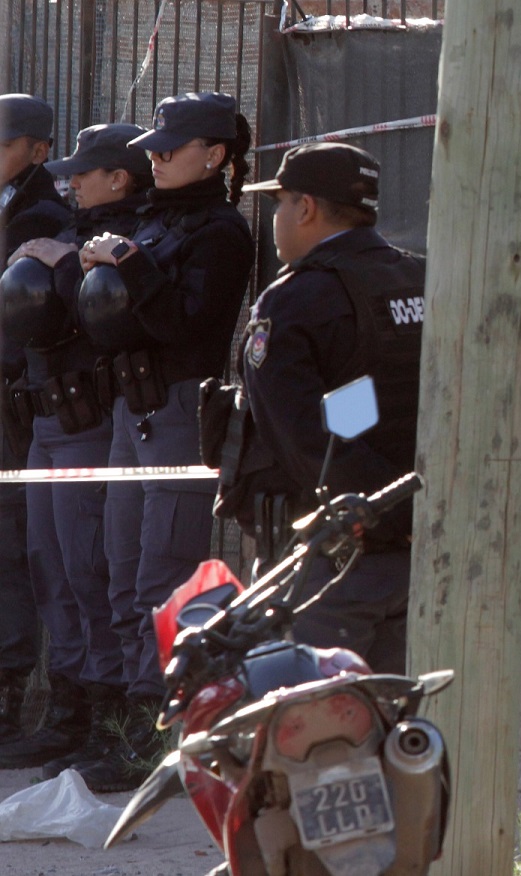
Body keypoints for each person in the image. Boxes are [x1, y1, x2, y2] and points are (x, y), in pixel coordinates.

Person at [74, 91, 254, 792]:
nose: (152, 158)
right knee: (120, 573)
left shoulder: (220, 231)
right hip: (130, 406)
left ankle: (167, 742)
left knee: (163, 581)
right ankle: (125, 728)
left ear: (214, 155)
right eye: (151, 148)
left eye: (168, 149)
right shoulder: (154, 217)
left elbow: (190, 325)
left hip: (179, 408)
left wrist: (131, 266)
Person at [213, 141, 424, 671]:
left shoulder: (293, 301)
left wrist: (380, 514)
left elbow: (306, 439)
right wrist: (411, 515)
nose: (276, 217)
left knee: (306, 724)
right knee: (391, 730)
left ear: (305, 207)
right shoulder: (424, 281)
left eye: (280, 202)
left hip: (328, 558)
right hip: (418, 551)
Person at [0, 124, 152, 771]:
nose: (70, 184)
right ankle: (66, 707)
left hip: (92, 418)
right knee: (50, 566)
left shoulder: (131, 240)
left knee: (95, 573)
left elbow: (91, 323)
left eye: (83, 174)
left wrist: (66, 268)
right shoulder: (69, 231)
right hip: (46, 420)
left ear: (119, 178)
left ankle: (108, 715)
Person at [0, 93, 71, 747]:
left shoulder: (42, 214)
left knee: (14, 547)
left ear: (38, 150)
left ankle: (10, 691)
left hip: (15, 401)